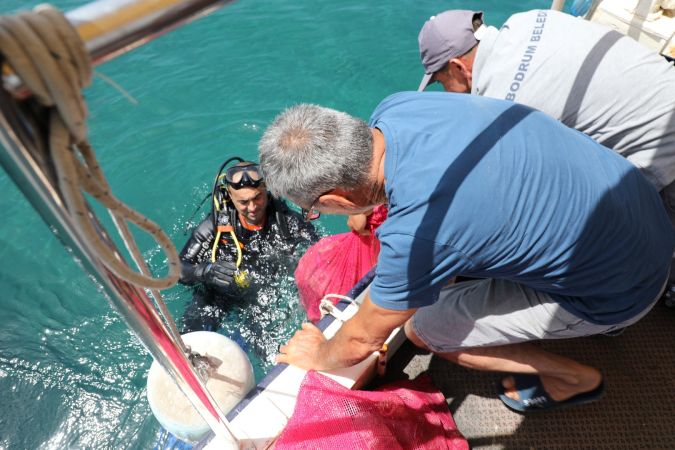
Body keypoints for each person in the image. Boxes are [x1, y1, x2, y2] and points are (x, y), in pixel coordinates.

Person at [259, 93, 673, 412]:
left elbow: (360, 340)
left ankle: (574, 378)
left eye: (314, 208)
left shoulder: (419, 235)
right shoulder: (401, 108)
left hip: (627, 288)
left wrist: (319, 353)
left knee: (425, 330)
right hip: (645, 213)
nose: (315, 214)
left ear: (338, 199)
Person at [416, 9, 675, 230]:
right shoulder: (528, 20)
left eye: (441, 83)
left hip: (665, 157)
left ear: (458, 68)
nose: (447, 94)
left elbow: (516, 196)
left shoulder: (503, 104)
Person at [179, 159, 318, 333]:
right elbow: (177, 269)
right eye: (243, 202)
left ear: (267, 190)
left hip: (263, 297)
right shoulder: (213, 227)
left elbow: (322, 258)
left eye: (257, 197)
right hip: (220, 292)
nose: (252, 207)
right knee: (193, 335)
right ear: (230, 196)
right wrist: (205, 272)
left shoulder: (289, 223)